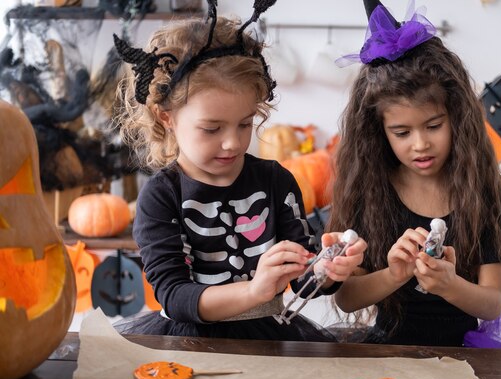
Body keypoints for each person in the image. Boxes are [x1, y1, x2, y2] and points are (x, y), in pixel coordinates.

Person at [113, 1, 366, 341]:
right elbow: (174, 297)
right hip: (193, 341)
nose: (232, 142)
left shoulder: (275, 181)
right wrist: (253, 291)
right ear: (167, 117)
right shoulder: (162, 197)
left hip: (271, 337)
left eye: (244, 123)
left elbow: (302, 282)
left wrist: (326, 270)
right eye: (212, 128)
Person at [328, 0, 501, 346]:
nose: (420, 144)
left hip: (465, 354)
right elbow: (346, 298)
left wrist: (450, 285)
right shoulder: (370, 192)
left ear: (457, 118)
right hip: (389, 351)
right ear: (379, 132)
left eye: (433, 126)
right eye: (402, 133)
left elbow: (493, 303)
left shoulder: (480, 191)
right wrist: (393, 275)